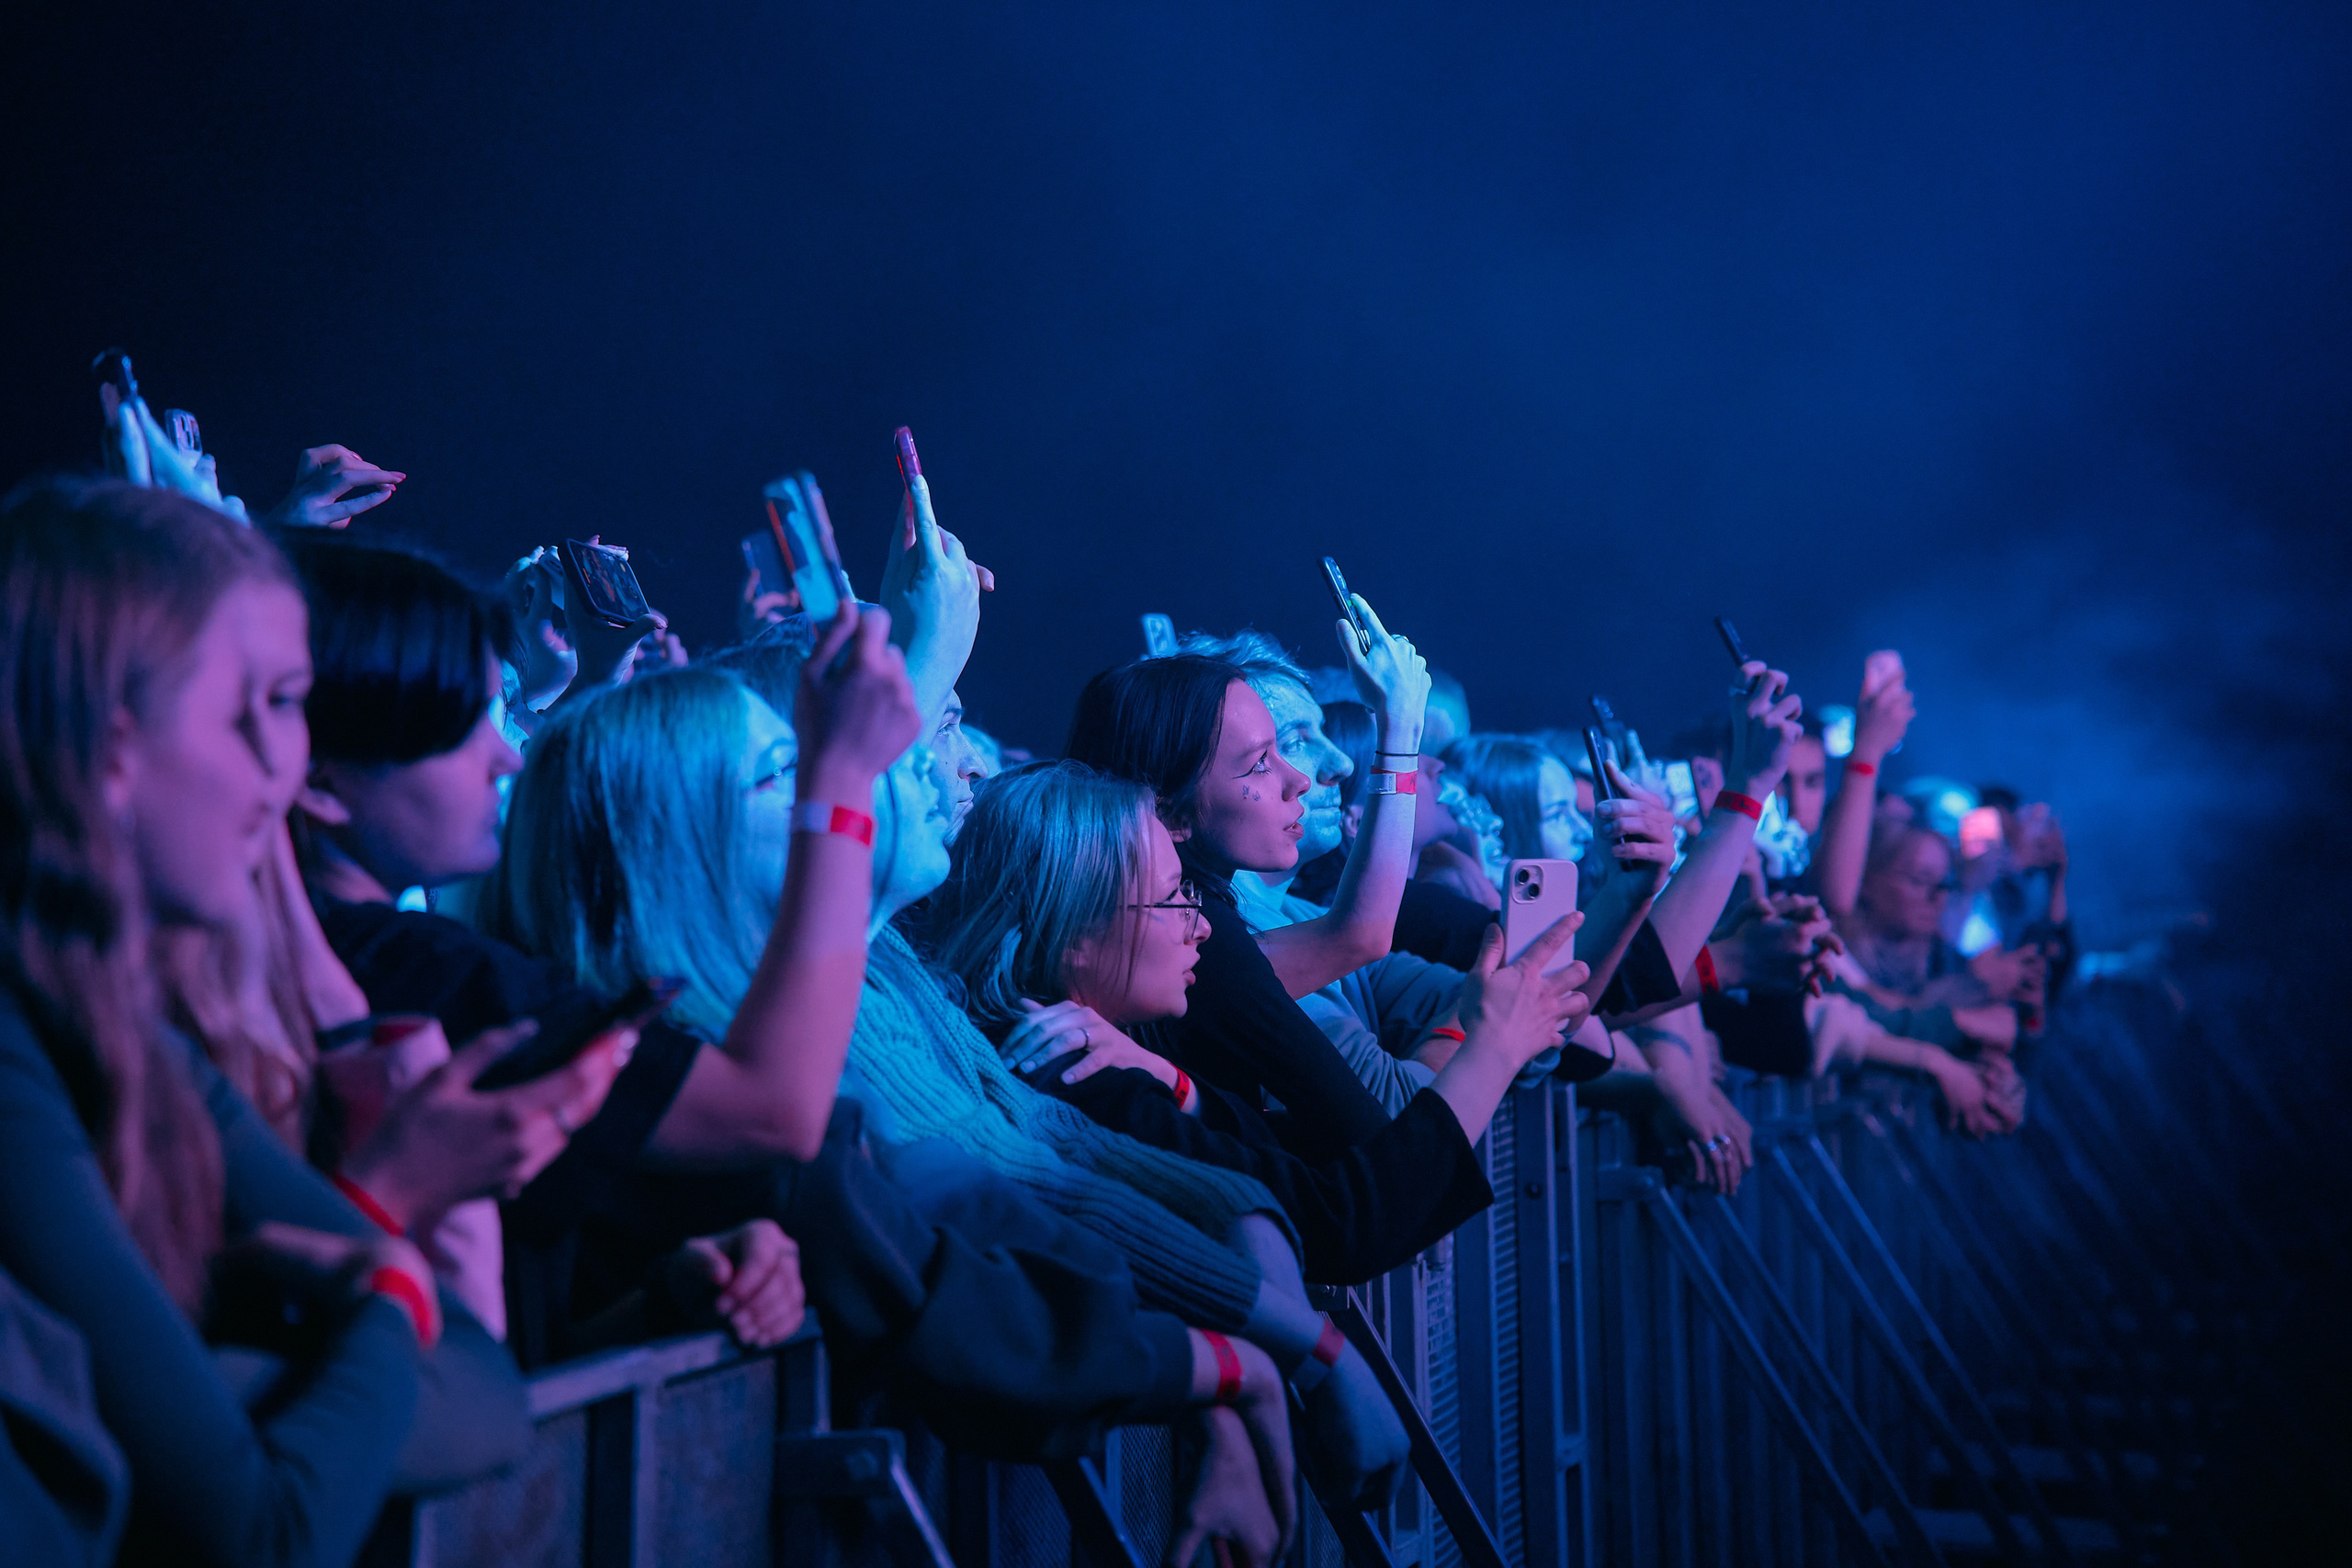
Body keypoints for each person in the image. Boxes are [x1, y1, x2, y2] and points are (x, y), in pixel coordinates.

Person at [0, 479, 526, 1568]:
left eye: (287, 707)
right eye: (261, 705)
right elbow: (264, 1537)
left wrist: (264, 1388)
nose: (279, 766)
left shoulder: (126, 1031)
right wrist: (384, 1293)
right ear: (109, 741)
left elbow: (489, 1392)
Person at [925, 759, 1594, 1281]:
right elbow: (1341, 1219)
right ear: (1072, 932)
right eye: (1169, 899)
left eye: (1192, 893)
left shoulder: (1110, 1053)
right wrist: (1494, 1049)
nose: (1200, 927)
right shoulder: (1077, 1072)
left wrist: (1176, 1086)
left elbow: (1280, 1159)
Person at [1063, 610, 1431, 1163]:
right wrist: (1491, 1037)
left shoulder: (1197, 916)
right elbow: (1379, 1140)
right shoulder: (1197, 932)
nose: (1303, 778)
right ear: (1170, 809)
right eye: (1262, 761)